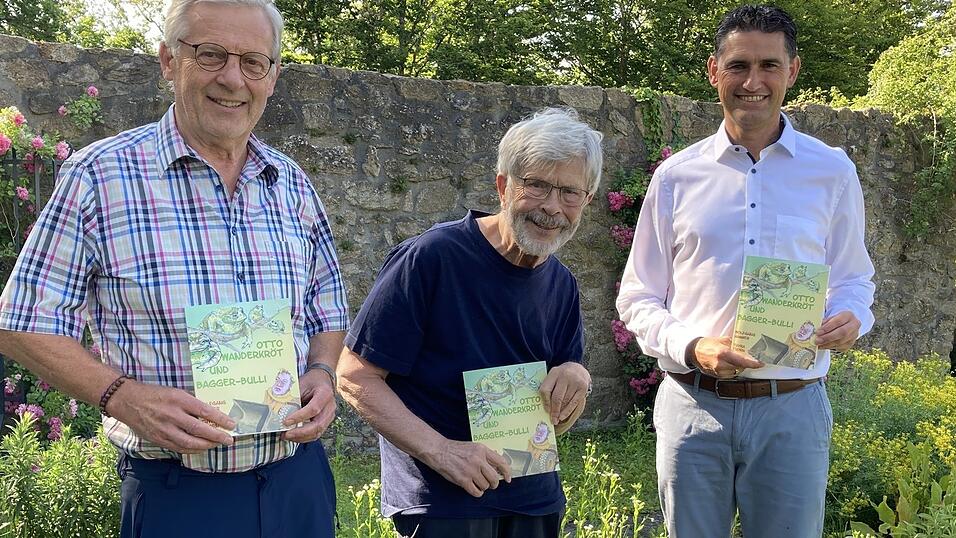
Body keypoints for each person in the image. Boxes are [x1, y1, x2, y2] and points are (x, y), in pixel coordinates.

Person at [0, 0, 348, 536]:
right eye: (210, 54)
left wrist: (323, 374)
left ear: (273, 76)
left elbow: (327, 304)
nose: (233, 78)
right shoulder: (100, 177)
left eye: (254, 62)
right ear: (168, 61)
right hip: (178, 495)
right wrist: (125, 397)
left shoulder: (291, 183)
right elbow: (21, 321)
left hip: (297, 482)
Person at [615, 5, 875, 537]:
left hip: (792, 410)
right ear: (715, 71)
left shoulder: (832, 172)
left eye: (768, 66)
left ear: (793, 71)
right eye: (738, 66)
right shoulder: (675, 177)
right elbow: (637, 296)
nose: (752, 82)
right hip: (692, 406)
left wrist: (851, 316)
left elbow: (854, 277)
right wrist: (692, 346)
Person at [337, 108, 601, 538]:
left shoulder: (562, 283)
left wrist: (576, 375)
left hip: (534, 498)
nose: (553, 207)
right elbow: (354, 376)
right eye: (536, 185)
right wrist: (443, 452)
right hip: (445, 503)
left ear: (586, 201)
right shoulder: (432, 257)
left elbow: (560, 407)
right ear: (503, 186)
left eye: (570, 192)